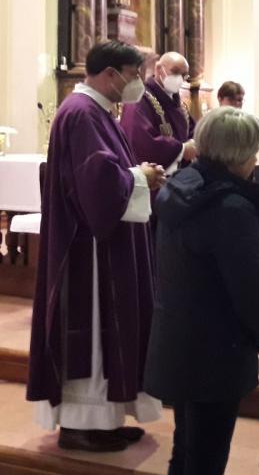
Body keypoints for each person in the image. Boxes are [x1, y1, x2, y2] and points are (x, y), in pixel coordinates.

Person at [27, 40, 166, 452]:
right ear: (111, 75)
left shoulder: (95, 111)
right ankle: (80, 424)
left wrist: (136, 174)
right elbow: (97, 184)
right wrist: (139, 176)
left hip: (101, 247)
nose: (138, 82)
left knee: (111, 334)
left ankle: (104, 419)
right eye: (135, 74)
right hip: (88, 253)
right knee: (93, 333)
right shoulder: (83, 113)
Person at [144, 108, 259, 475]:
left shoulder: (179, 190)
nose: (255, 160)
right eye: (253, 152)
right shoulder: (231, 208)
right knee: (207, 457)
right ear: (236, 156)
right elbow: (250, 285)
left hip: (179, 338)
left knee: (186, 448)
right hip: (218, 348)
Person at [120, 52, 197, 175]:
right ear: (158, 69)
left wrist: (195, 143)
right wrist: (181, 150)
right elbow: (141, 140)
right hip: (156, 182)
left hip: (181, 177)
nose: (180, 79)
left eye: (184, 75)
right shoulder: (139, 98)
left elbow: (193, 131)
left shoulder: (179, 103)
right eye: (175, 72)